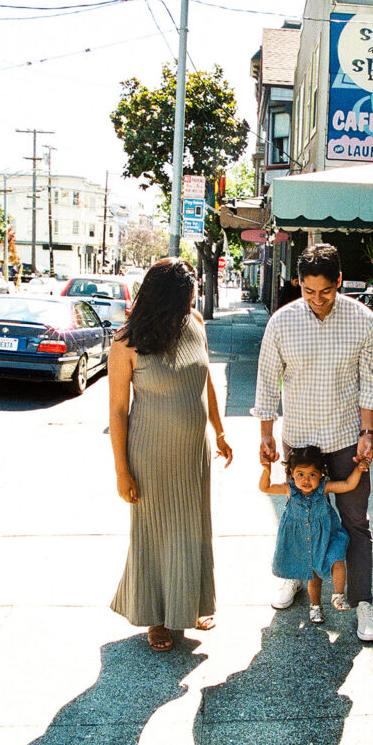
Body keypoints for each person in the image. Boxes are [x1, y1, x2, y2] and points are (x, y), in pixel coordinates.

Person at [252, 243, 373, 641]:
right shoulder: (282, 322)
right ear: (299, 283)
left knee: (355, 521)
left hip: (345, 438)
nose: (318, 299)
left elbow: (370, 383)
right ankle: (296, 577)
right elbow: (267, 382)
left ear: (339, 281)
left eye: (326, 291)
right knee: (298, 517)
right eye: (309, 291)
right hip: (300, 442)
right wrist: (266, 434)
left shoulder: (364, 321)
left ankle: (362, 601)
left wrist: (367, 434)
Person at [108, 257, 233, 652]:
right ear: (164, 299)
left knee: (194, 529)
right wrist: (121, 471)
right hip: (151, 453)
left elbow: (205, 380)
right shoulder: (126, 342)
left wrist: (220, 430)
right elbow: (117, 411)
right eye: (185, 300)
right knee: (155, 533)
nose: (190, 306)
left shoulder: (194, 323)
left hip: (194, 451)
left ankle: (192, 605)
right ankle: (158, 618)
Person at [259, 445, 369, 623]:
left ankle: (338, 595)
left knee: (337, 559)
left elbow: (348, 484)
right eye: (300, 474)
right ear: (292, 472)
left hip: (327, 538)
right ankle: (315, 606)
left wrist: (359, 469)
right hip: (306, 541)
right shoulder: (289, 490)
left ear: (321, 474)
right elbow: (265, 487)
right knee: (314, 578)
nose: (306, 480)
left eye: (312, 474)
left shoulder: (323, 488)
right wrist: (267, 470)